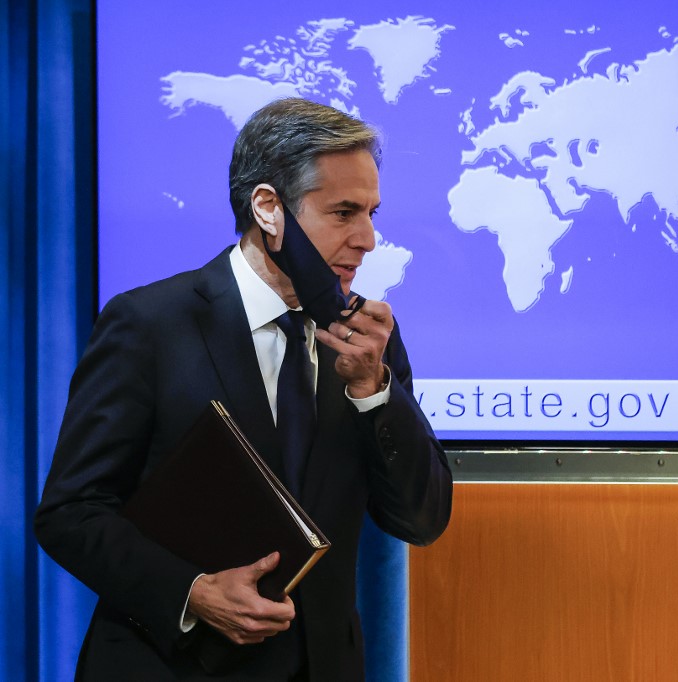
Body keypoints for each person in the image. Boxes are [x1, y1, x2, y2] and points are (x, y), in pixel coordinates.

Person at [34, 98, 453, 681]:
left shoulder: (368, 341)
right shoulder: (150, 324)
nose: (368, 239)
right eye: (343, 213)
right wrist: (193, 592)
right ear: (268, 210)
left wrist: (374, 391)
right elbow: (71, 512)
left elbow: (422, 520)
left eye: (372, 213)